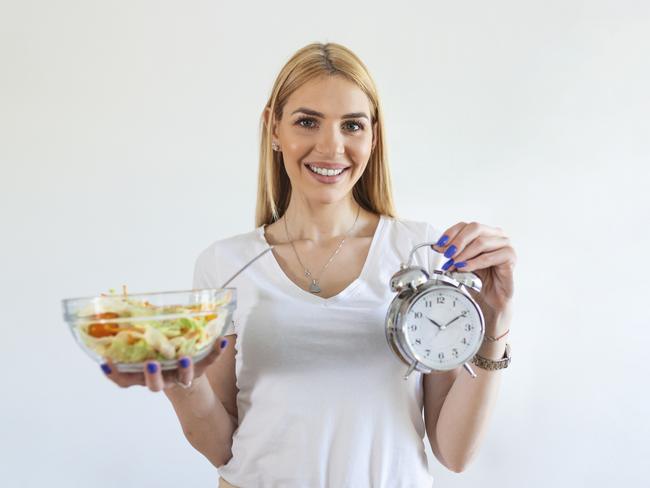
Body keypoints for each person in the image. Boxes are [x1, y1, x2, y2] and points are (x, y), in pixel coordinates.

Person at [101, 42, 517, 488]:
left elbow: (453, 453)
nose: (331, 146)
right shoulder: (226, 264)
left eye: (352, 125)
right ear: (273, 129)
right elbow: (223, 448)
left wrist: (496, 321)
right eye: (307, 121)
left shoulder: (422, 252)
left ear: (373, 136)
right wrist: (181, 384)